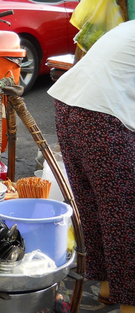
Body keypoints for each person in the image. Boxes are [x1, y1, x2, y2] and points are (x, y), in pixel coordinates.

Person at [48, 20, 135, 312]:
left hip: (70, 108)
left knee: (98, 206)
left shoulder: (129, 28)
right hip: (100, 116)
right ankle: (130, 303)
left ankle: (110, 288)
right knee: (125, 215)